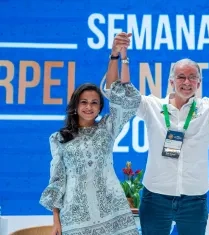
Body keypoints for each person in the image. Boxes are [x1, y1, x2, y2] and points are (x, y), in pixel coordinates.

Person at [102, 24, 209, 235]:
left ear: (199, 83)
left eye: (192, 77)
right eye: (181, 77)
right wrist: (115, 56)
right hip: (155, 197)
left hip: (194, 199)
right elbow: (114, 92)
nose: (187, 82)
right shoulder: (151, 106)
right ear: (171, 81)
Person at [39, 35, 141, 235]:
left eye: (95, 102)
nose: (89, 107)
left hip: (113, 213)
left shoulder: (107, 129)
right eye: (84, 102)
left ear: (100, 107)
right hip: (76, 217)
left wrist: (118, 57)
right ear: (75, 106)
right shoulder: (59, 138)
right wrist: (56, 220)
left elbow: (119, 96)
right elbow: (57, 180)